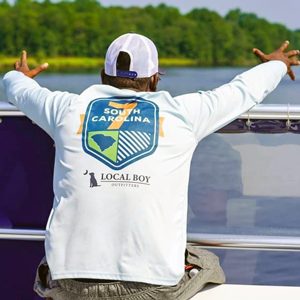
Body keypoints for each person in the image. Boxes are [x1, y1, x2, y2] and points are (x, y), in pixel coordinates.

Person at [3, 33, 299, 300]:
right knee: (209, 264)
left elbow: (13, 85)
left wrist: (22, 77)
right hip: (150, 287)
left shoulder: (66, 109)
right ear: (155, 79)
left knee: (52, 261)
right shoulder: (182, 113)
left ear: (102, 76)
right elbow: (243, 91)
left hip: (72, 283)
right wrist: (274, 65)